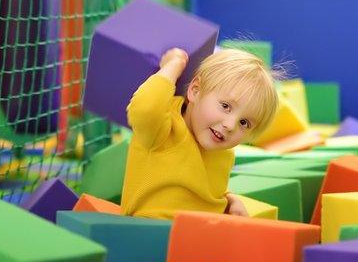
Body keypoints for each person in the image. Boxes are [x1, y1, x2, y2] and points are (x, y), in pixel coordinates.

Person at [120, 47, 280, 220]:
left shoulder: (224, 154)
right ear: (195, 91)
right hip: (152, 232)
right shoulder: (163, 129)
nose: (230, 125)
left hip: (200, 236)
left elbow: (203, 192)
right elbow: (145, 108)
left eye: (244, 123)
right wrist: (174, 65)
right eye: (225, 106)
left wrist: (228, 200)